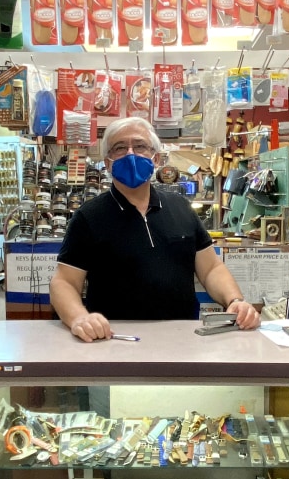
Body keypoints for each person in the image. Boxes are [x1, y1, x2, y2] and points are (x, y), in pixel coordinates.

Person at [50, 116, 261, 342]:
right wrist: (79, 318)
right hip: (115, 340)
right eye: (120, 148)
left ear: (156, 158)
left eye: (140, 146)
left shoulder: (181, 208)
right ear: (108, 162)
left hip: (184, 338)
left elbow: (211, 269)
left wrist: (235, 301)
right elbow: (63, 282)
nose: (131, 154)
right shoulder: (88, 217)